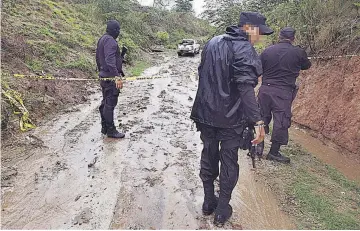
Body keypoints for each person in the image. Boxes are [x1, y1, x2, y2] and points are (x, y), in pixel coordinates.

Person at [190, 12, 272, 226]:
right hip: (231, 119)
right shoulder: (243, 48)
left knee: (208, 153)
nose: (260, 37)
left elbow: (202, 76)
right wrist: (258, 122)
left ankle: (209, 202)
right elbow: (246, 88)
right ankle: (222, 208)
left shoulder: (211, 43)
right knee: (228, 160)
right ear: (248, 28)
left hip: (206, 114)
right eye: (259, 32)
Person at [258, 27, 312, 163]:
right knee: (281, 121)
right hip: (283, 92)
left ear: (279, 36)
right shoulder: (298, 52)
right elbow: (306, 66)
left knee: (261, 118)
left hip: (265, 90)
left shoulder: (267, 51)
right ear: (293, 38)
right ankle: (273, 152)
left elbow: (259, 67)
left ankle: (258, 148)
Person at [96, 20, 125, 138]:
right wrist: (116, 76)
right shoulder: (111, 41)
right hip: (110, 77)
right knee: (110, 103)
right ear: (115, 31)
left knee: (106, 102)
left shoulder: (102, 39)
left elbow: (98, 57)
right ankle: (111, 130)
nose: (118, 32)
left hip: (104, 75)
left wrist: (101, 71)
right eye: (118, 30)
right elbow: (109, 60)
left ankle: (105, 127)